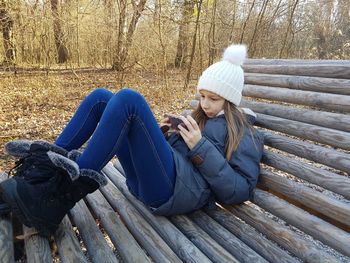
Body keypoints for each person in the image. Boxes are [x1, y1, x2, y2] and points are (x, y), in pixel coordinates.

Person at [0, 44, 264, 236]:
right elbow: (176, 158)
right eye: (202, 95)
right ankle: (38, 179)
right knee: (102, 97)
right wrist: (163, 135)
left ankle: (57, 199)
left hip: (173, 194)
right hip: (155, 181)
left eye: (213, 99)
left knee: (129, 99)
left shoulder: (246, 134)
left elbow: (240, 190)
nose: (204, 104)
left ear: (231, 100)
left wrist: (199, 147)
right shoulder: (201, 117)